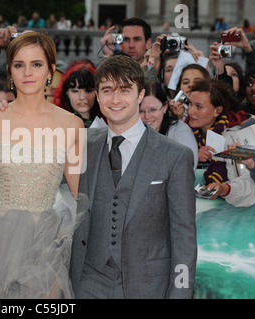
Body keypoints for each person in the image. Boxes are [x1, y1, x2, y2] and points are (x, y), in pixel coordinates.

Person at [0, 31, 87, 299]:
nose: (27, 73)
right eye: (19, 65)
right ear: (10, 71)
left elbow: (80, 192)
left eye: (36, 64)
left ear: (51, 70)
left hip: (44, 250)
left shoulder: (72, 125)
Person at [69, 55, 197, 299]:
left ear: (140, 95)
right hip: (88, 283)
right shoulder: (82, 146)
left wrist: (180, 293)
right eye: (107, 90)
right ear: (97, 95)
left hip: (149, 286)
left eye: (124, 90)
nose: (115, 100)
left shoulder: (175, 155)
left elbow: (184, 236)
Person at [187, 78, 235, 186]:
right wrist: (194, 156)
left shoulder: (232, 135)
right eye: (190, 104)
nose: (190, 111)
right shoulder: (182, 128)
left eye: (198, 106)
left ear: (217, 111)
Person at [140, 81, 198, 169]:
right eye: (140, 111)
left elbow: (185, 169)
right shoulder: (128, 131)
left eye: (153, 110)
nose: (147, 116)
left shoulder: (180, 131)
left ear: (165, 107)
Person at [52, 59, 105, 128]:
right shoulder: (52, 125)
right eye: (75, 91)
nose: (82, 97)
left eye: (88, 90)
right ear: (66, 93)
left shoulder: (110, 122)